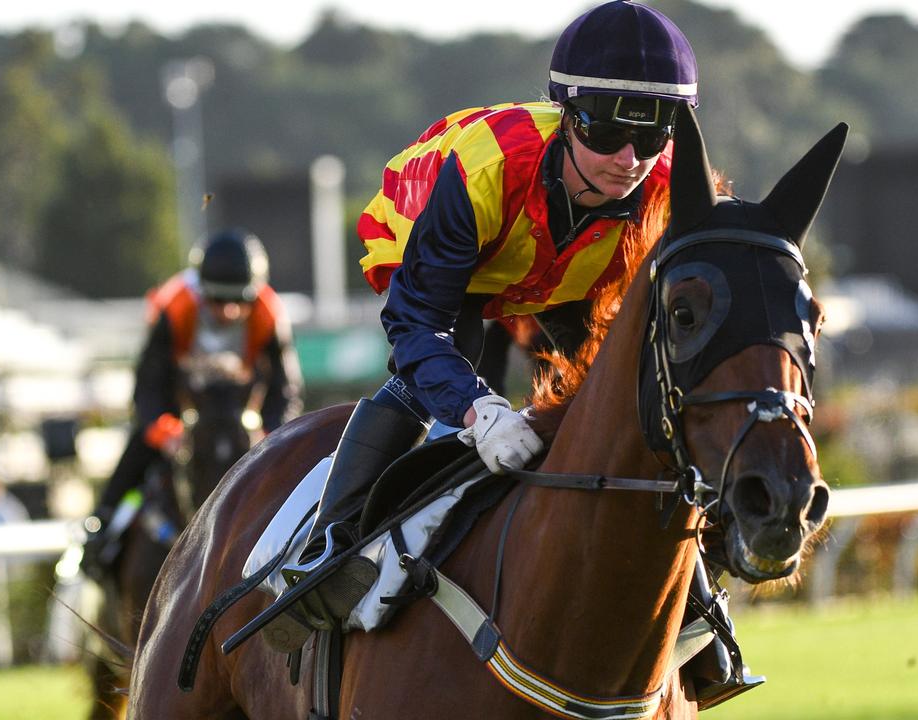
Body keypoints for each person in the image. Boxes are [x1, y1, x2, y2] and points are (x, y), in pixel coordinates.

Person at [264, 1, 744, 682]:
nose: (630, 158)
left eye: (654, 131)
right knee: (423, 384)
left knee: (622, 406)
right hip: (457, 261)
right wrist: (480, 411)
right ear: (569, 113)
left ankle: (697, 600)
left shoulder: (663, 182)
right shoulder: (485, 168)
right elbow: (414, 328)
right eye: (608, 131)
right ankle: (328, 549)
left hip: (568, 273)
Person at [81, 228, 303, 580]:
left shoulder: (270, 314)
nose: (230, 311)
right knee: (139, 448)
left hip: (238, 407)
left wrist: (272, 434)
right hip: (181, 400)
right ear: (201, 292)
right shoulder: (175, 306)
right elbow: (149, 386)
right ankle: (100, 527)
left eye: (240, 301)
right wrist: (163, 430)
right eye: (218, 301)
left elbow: (285, 390)